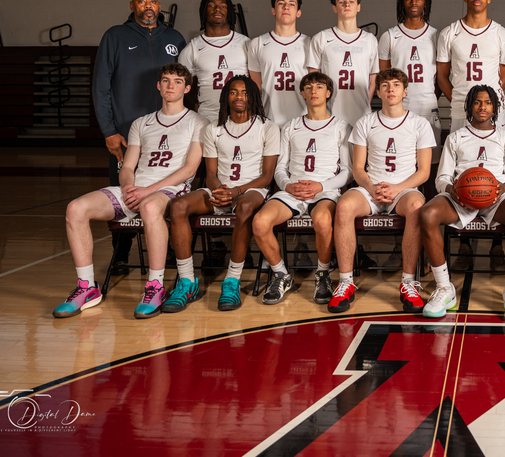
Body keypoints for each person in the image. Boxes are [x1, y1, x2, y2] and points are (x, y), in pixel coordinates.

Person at [54, 63, 207, 319]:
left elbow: (190, 169)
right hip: (137, 190)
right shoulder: (141, 123)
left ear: (187, 88)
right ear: (158, 85)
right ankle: (87, 287)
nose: (171, 85)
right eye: (166, 80)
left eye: (178, 81)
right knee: (76, 208)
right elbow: (127, 167)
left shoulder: (198, 121)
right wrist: (128, 189)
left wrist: (148, 191)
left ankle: (155, 286)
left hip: (171, 191)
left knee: (149, 206)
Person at [93, 0, 186, 275]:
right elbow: (101, 87)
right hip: (125, 135)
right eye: (142, 1)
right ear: (132, 5)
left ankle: (171, 251)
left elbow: (185, 83)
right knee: (127, 191)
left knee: (169, 190)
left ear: (159, 6)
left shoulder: (174, 38)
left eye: (153, 1)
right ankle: (121, 254)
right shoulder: (115, 36)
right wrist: (108, 130)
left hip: (170, 134)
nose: (148, 6)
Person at [328, 68, 437, 314]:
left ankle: (408, 282)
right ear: (377, 91)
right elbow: (358, 168)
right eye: (385, 85)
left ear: (405, 91)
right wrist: (371, 187)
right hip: (371, 188)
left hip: (404, 189)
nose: (390, 89)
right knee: (343, 206)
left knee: (417, 207)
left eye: (396, 84)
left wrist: (397, 188)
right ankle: (345, 282)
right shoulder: (365, 122)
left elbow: (424, 172)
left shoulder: (419, 124)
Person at [166, 76, 279, 312]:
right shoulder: (213, 129)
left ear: (253, 97)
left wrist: (237, 191)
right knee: (177, 206)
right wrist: (219, 190)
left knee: (245, 206)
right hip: (220, 189)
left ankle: (232, 280)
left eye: (245, 93)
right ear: (226, 96)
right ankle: (187, 281)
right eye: (234, 92)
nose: (239, 97)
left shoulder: (267, 127)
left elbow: (268, 176)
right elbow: (210, 173)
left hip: (252, 191)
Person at [420, 85, 505, 320]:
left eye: (487, 103)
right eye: (477, 102)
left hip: (495, 197)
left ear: (495, 108)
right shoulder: (456, 137)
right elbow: (442, 178)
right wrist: (452, 190)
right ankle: (444, 288)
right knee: (427, 214)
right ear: (469, 107)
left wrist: (504, 188)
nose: (482, 107)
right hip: (461, 196)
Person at [250, 72, 352, 307]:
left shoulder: (341, 126)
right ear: (302, 93)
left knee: (323, 221)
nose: (313, 90)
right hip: (292, 191)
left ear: (329, 93)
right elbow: (279, 169)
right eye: (308, 87)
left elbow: (348, 172)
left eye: (319, 86)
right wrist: (288, 185)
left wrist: (321, 185)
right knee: (260, 223)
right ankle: (281, 274)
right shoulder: (291, 126)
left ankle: (323, 273)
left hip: (325, 191)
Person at [436, 0, 505, 271]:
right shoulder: (450, 33)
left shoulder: (502, 34)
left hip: (493, 112)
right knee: (463, 172)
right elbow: (442, 76)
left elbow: (502, 77)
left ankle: (497, 246)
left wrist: (485, 105)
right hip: (461, 111)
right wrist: (463, 102)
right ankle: (464, 245)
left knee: (495, 169)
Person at [307, 0, 378, 128]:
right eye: (341, 2)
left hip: (362, 114)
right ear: (334, 8)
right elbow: (313, 78)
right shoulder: (321, 38)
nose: (347, 5)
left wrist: (365, 104)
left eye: (351, 1)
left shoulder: (370, 40)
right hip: (329, 115)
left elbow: (373, 78)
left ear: (358, 7)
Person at [378, 0, 441, 139]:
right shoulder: (389, 36)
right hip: (399, 108)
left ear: (425, 2)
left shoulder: (436, 36)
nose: (414, 2)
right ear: (402, 2)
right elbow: (384, 77)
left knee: (430, 155)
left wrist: (430, 96)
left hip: (428, 108)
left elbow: (442, 76)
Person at [177, 0, 250, 126]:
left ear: (229, 12)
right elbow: (183, 88)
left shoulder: (246, 43)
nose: (217, 9)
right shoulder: (192, 48)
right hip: (207, 118)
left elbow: (257, 81)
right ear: (204, 11)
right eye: (211, 5)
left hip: (242, 117)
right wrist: (195, 108)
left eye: (223, 6)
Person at [247, 0, 311, 127]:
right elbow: (256, 88)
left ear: (298, 12)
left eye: (291, 4)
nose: (286, 7)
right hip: (268, 121)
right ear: (273, 10)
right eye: (281, 3)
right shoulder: (257, 43)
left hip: (302, 121)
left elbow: (314, 86)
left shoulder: (310, 44)